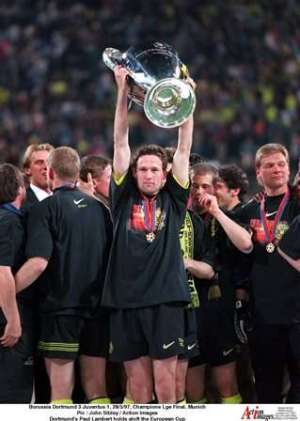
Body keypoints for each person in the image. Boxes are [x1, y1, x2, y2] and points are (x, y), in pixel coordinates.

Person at [101, 65, 194, 404]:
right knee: (137, 387)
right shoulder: (123, 198)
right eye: (144, 169)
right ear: (134, 173)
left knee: (166, 384)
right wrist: (122, 92)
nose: (149, 175)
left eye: (155, 169)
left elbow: (183, 148)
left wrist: (187, 101)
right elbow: (120, 141)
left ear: (165, 175)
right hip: (125, 300)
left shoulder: (175, 198)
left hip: (165, 300)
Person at [14, 146, 112, 404]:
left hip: (60, 310)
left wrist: (7, 291)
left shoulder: (44, 209)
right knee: (98, 392)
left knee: (60, 395)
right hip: (97, 309)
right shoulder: (101, 210)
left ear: (51, 172)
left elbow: (37, 263)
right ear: (78, 172)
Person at [235, 143, 300, 403]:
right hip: (263, 315)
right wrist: (240, 303)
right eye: (270, 165)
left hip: (297, 313)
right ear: (258, 173)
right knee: (266, 387)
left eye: (281, 164)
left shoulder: (297, 205)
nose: (277, 169)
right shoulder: (248, 211)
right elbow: (239, 262)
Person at [186, 162, 251, 404]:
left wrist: (216, 212)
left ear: (216, 189)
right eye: (194, 186)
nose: (199, 192)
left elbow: (246, 244)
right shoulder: (183, 220)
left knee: (227, 385)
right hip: (188, 310)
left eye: (205, 186)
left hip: (219, 310)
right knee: (193, 391)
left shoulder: (228, 217)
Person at [0, 164, 35, 403]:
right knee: (13, 392)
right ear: (20, 190)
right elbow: (2, 272)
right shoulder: (9, 221)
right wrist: (13, 320)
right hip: (7, 317)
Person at [22, 143, 54, 211]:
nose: (46, 167)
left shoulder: (64, 200)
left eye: (49, 162)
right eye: (39, 162)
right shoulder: (21, 203)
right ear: (27, 170)